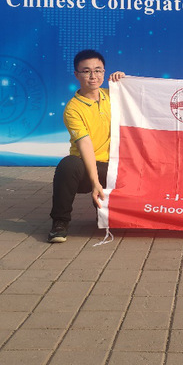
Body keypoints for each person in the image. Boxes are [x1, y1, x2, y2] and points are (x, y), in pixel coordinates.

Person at [48, 49, 125, 243]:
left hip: (115, 167)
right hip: (87, 166)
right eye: (86, 71)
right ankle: (60, 222)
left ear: (104, 72)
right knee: (68, 165)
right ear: (76, 74)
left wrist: (125, 81)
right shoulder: (73, 109)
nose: (93, 76)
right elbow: (85, 145)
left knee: (110, 222)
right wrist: (95, 182)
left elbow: (140, 100)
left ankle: (104, 213)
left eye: (98, 70)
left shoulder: (113, 95)